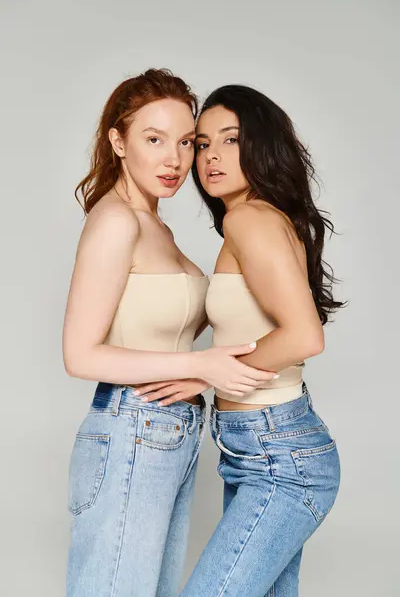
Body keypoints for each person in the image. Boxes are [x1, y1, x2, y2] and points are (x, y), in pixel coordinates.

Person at [62, 71, 278, 597]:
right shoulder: (116, 221)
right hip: (129, 425)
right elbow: (79, 354)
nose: (175, 160)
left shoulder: (157, 226)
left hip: (168, 432)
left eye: (186, 142)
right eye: (153, 139)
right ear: (118, 141)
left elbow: (175, 321)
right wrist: (200, 366)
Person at [136, 84, 344, 596]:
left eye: (230, 140)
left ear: (262, 146)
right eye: (202, 144)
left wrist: (200, 369)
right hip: (258, 448)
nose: (210, 157)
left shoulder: (250, 218)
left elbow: (303, 336)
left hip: (281, 456)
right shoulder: (251, 219)